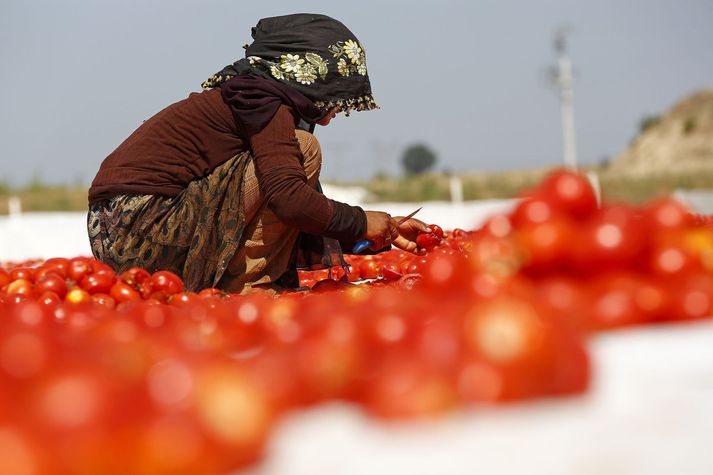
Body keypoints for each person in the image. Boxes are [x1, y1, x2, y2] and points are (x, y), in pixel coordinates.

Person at [87, 13, 429, 294]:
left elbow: (296, 205)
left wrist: (381, 231)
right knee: (304, 148)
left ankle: (240, 280)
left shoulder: (255, 98)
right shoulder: (264, 102)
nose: (339, 106)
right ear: (312, 77)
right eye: (337, 91)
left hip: (122, 231)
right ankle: (249, 286)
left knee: (292, 158)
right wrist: (359, 221)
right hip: (138, 227)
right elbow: (289, 200)